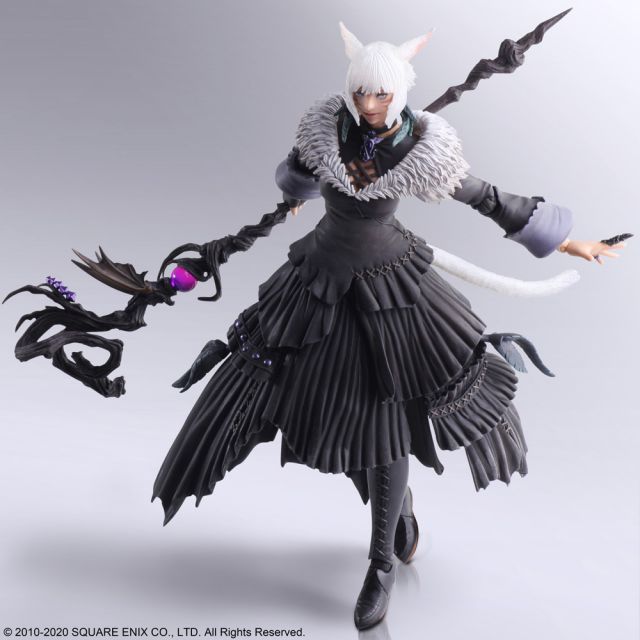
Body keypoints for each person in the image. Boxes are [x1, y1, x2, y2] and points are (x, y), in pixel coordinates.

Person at [151, 23, 626, 630]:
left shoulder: (422, 148)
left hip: (390, 291)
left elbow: (487, 197)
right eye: (361, 93)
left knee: (387, 423)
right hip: (319, 278)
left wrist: (567, 242)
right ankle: (396, 508)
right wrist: (296, 190)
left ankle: (381, 562)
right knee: (317, 406)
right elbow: (296, 176)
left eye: (382, 94)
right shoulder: (327, 129)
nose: (370, 105)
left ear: (400, 92)